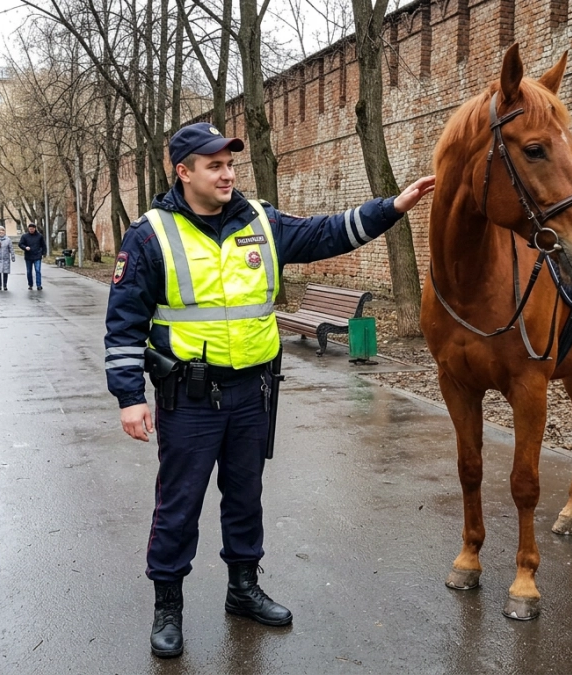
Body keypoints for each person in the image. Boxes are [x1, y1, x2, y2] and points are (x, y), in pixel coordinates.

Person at [104, 123, 434, 659]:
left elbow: (326, 233)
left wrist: (391, 206)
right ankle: (169, 606)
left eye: (230, 163)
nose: (227, 172)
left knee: (245, 497)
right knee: (178, 504)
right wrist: (129, 397)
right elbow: (123, 324)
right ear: (183, 172)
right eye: (214, 165)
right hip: (188, 398)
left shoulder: (260, 220)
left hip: (251, 392)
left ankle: (243, 589)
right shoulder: (150, 235)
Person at [19, 223, 47, 290]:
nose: (31, 230)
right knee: (29, 271)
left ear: (35, 229)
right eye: (30, 229)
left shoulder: (39, 236)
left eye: (32, 229)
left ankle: (39, 285)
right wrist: (25, 247)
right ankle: (30, 284)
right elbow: (20, 244)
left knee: (38, 270)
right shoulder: (25, 236)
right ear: (28, 229)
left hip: (37, 255)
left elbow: (43, 245)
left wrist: (44, 253)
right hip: (28, 256)